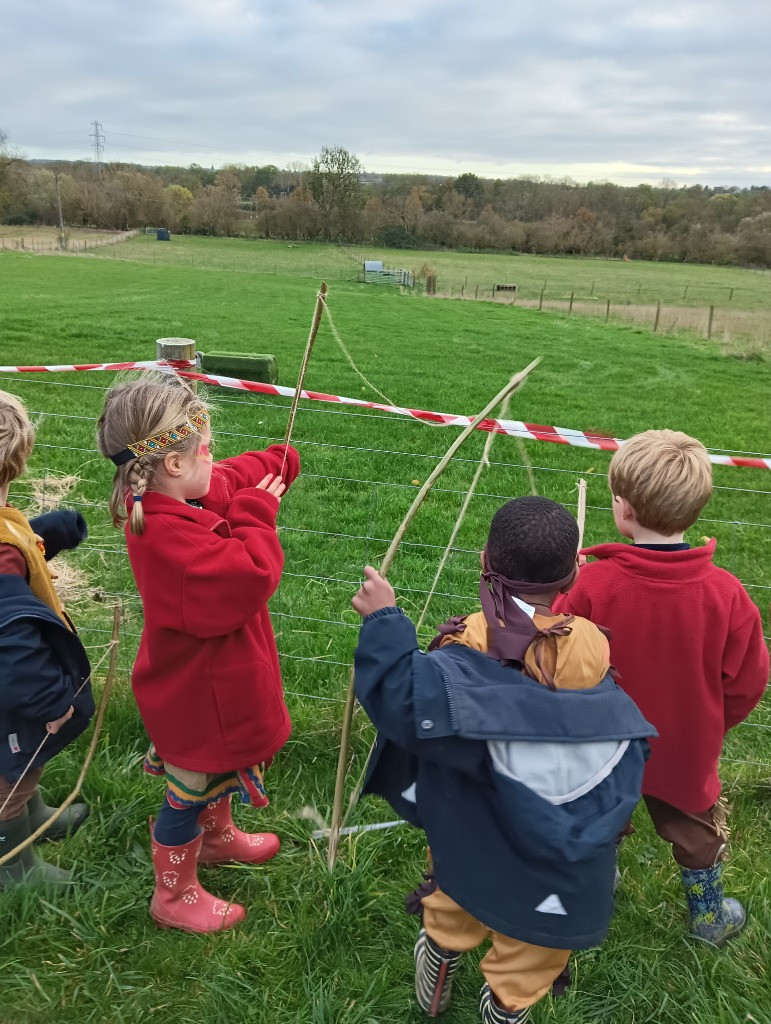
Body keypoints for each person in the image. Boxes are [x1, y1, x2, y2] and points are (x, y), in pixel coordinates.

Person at [351, 496, 656, 1023]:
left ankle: (440, 962)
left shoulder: (470, 637)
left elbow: (405, 699)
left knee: (455, 893)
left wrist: (384, 619)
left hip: (473, 817)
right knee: (531, 952)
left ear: (482, 559)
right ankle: (507, 1007)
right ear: (575, 572)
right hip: (558, 830)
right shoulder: (587, 643)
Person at [97, 373, 300, 933]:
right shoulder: (171, 543)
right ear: (174, 465)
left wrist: (272, 463)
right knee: (185, 795)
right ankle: (174, 893)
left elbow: (226, 481)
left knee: (214, 775)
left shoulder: (163, 500)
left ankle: (217, 838)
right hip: (197, 700)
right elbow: (249, 574)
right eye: (206, 448)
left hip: (204, 688)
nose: (216, 458)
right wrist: (258, 513)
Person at [555, 429, 769, 947]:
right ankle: (709, 918)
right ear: (693, 512)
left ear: (622, 510)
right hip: (685, 746)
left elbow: (557, 652)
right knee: (696, 831)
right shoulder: (726, 594)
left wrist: (569, 589)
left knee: (599, 819)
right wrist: (712, 717)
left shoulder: (594, 585)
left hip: (605, 744)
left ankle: (592, 903)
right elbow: (748, 680)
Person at [0, 389, 94, 890]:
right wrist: (50, 701)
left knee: (24, 759)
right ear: (16, 461)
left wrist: (45, 535)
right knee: (9, 771)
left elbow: (13, 555)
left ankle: (32, 814)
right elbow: (10, 640)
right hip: (12, 694)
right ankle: (12, 863)